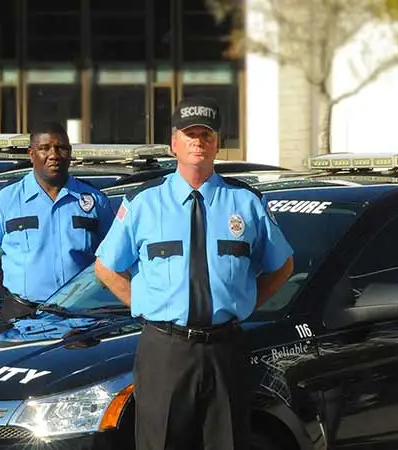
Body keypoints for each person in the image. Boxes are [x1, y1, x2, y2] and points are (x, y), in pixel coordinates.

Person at [93, 96, 295, 450]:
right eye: (190, 134)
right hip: (165, 349)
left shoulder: (245, 202)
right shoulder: (144, 202)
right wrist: (144, 302)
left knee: (228, 441)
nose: (198, 142)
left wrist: (242, 303)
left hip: (224, 348)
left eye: (206, 134)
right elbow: (106, 267)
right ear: (174, 143)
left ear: (218, 143)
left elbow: (282, 266)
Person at [0, 122, 115, 322]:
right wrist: (9, 287)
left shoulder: (95, 200)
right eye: (44, 148)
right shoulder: (5, 199)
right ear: (31, 154)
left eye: (61, 148)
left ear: (70, 153)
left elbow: (113, 256)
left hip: (80, 316)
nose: (53, 154)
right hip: (22, 313)